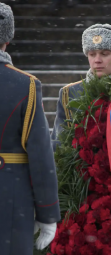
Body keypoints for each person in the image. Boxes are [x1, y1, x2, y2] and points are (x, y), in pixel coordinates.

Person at [0, 3, 60, 255]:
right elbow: (40, 155)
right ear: (8, 38)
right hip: (11, 195)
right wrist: (47, 212)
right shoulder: (27, 85)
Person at [51, 23, 111, 150]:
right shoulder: (69, 93)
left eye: (104, 54)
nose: (97, 60)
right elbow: (59, 143)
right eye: (92, 54)